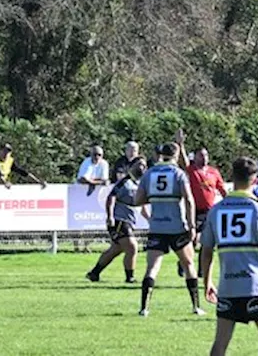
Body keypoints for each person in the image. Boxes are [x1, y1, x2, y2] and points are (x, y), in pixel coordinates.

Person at [200, 157, 258, 356]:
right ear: (254, 180)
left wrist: (207, 282)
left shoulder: (216, 210)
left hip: (228, 288)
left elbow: (206, 251)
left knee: (220, 343)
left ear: (231, 177)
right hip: (256, 286)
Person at [134, 143, 201, 317]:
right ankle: (196, 306)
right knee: (188, 265)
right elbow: (189, 200)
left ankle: (144, 308)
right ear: (177, 155)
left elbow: (138, 199)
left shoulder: (149, 173)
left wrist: (157, 200)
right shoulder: (179, 174)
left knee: (152, 267)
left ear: (161, 155)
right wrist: (192, 225)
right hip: (177, 227)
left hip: (157, 227)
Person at [173, 132, 227, 276]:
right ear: (195, 157)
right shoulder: (192, 170)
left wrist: (230, 201)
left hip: (209, 211)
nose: (204, 158)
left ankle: (202, 270)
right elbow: (183, 162)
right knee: (193, 239)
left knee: (208, 241)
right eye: (201, 155)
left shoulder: (213, 172)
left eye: (206, 155)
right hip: (194, 210)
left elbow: (222, 190)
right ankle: (183, 261)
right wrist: (180, 144)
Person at [87, 158, 147, 284]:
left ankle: (94, 273)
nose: (141, 167)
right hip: (119, 220)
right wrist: (110, 216)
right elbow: (111, 197)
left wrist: (150, 219)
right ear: (131, 167)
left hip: (129, 221)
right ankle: (129, 277)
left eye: (144, 165)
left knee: (115, 250)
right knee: (132, 247)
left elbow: (142, 206)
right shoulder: (124, 182)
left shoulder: (141, 184)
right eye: (139, 164)